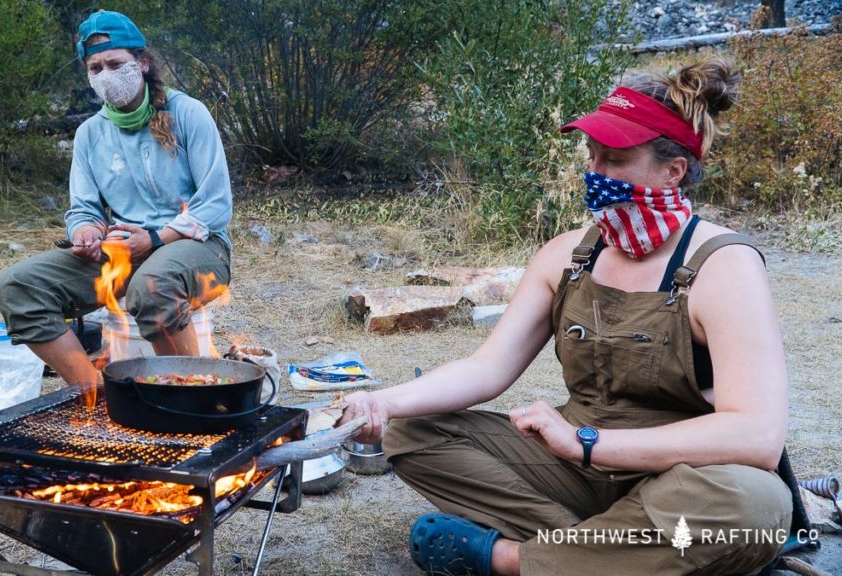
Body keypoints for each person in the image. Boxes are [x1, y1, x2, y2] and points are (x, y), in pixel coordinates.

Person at [340, 58, 797, 575]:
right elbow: (487, 369)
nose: (594, 174)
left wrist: (588, 443)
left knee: (754, 503)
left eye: (615, 159)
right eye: (593, 156)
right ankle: (606, 554)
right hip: (574, 472)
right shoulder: (566, 256)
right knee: (413, 431)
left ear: (672, 171)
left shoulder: (723, 266)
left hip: (677, 476)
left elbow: (757, 438)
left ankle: (509, 559)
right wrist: (383, 401)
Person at [0, 10, 233, 385]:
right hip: (123, 253)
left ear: (142, 62)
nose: (105, 75)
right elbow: (84, 207)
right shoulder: (90, 134)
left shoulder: (187, 113)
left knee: (152, 287)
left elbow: (216, 204)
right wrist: (86, 231)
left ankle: (192, 395)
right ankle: (96, 393)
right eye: (95, 67)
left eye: (115, 63)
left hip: (198, 246)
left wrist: (154, 238)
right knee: (17, 286)